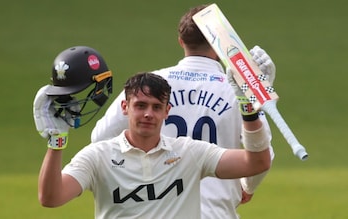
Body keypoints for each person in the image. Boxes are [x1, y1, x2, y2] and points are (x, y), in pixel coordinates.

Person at [91, 4, 275, 218]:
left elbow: (100, 137)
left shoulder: (148, 87)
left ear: (181, 42)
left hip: (157, 210)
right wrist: (247, 186)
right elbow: (264, 153)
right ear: (218, 47)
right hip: (215, 212)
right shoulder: (237, 89)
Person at [35, 72, 271, 218]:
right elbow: (50, 197)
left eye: (156, 107)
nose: (148, 114)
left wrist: (247, 108)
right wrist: (57, 143)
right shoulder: (97, 157)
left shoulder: (189, 153)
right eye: (140, 105)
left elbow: (257, 162)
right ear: (125, 107)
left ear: (167, 112)